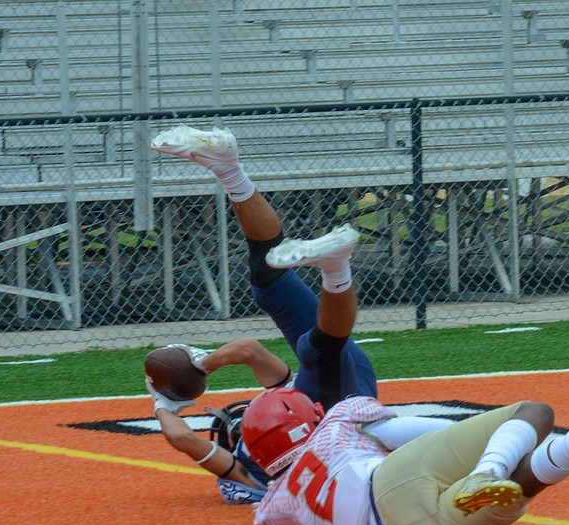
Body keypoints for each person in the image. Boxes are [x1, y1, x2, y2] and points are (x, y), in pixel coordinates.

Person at [143, 126, 454, 505]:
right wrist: (168, 398)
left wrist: (198, 368)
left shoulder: (285, 411)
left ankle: (227, 169)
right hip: (349, 415)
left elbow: (248, 350)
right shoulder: (256, 475)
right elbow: (181, 438)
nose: (264, 410)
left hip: (337, 394)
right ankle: (336, 268)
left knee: (269, 284)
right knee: (317, 351)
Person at [243, 388, 569, 525]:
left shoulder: (275, 509)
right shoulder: (337, 423)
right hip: (387, 478)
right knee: (533, 414)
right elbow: (414, 429)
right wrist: (479, 446)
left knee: (518, 488)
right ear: (307, 418)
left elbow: (279, 524)